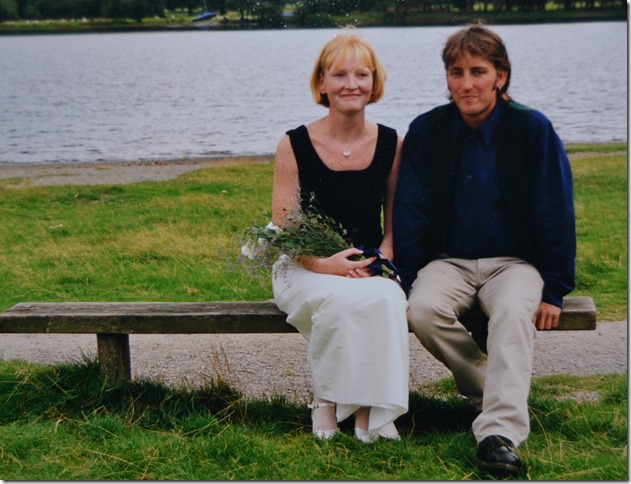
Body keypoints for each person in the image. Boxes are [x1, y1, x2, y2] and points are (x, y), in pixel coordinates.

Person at [393, 23, 576, 476]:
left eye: (478, 71)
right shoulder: (427, 129)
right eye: (456, 73)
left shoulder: (531, 129)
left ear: (501, 76)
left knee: (513, 313)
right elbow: (409, 211)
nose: (467, 84)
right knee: (421, 310)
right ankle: (495, 390)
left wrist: (554, 288)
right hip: (447, 262)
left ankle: (498, 435)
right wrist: (408, 277)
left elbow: (555, 210)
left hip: (514, 264)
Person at [271, 32, 409, 443]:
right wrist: (325, 265)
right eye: (340, 75)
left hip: (368, 262)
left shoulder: (392, 143)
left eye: (362, 75)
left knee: (386, 299)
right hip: (303, 265)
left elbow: (394, 223)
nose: (352, 84)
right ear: (321, 83)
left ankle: (372, 410)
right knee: (337, 299)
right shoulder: (293, 143)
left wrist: (380, 260)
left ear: (374, 82)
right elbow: (285, 228)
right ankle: (326, 400)